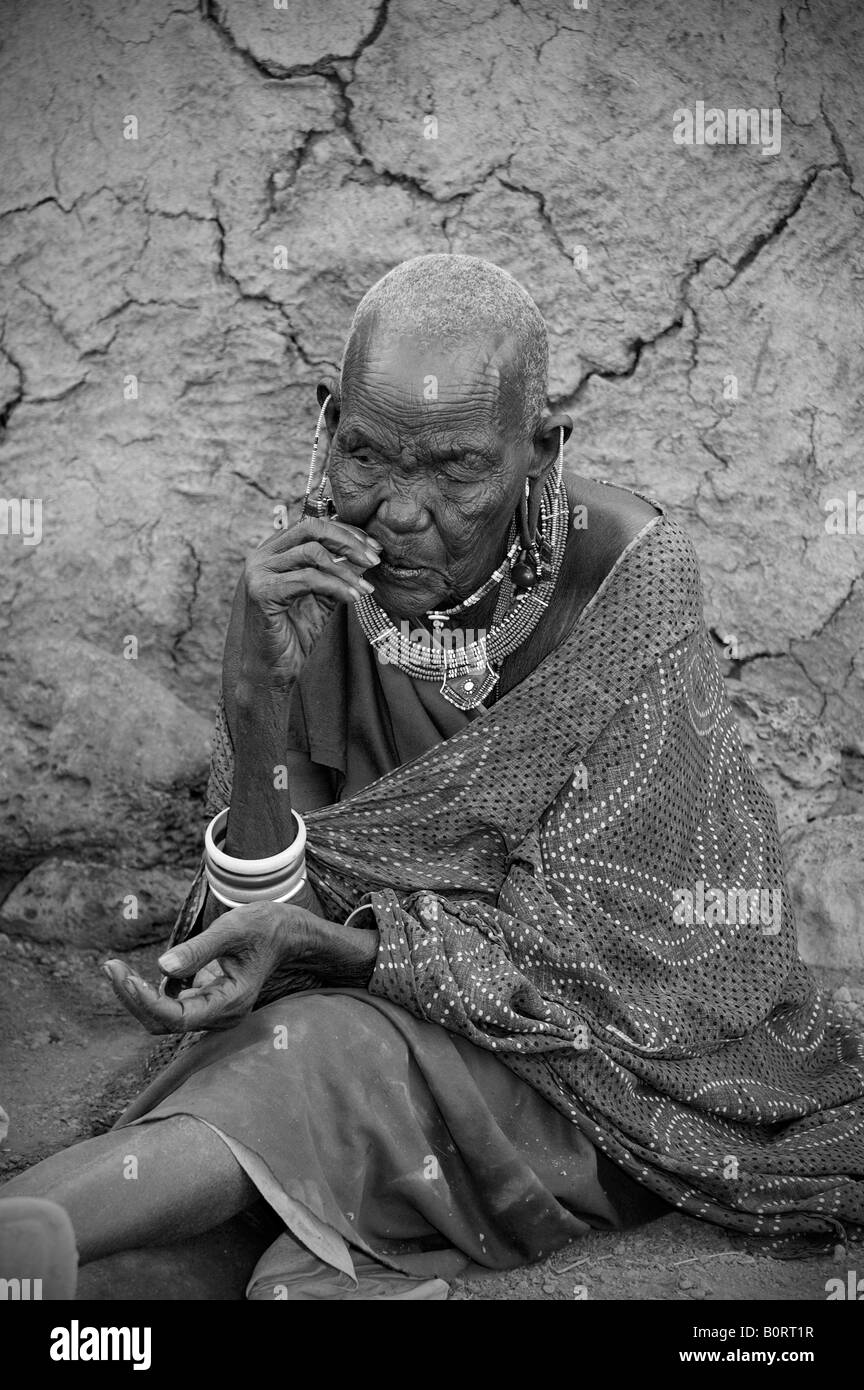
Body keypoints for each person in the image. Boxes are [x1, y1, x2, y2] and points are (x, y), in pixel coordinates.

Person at [2, 254, 862, 1301]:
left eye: (456, 469)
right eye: (367, 455)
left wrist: (353, 952)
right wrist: (252, 705)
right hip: (345, 1032)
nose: (402, 512)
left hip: (588, 1079)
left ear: (539, 453)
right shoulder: (311, 580)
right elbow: (278, 925)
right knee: (210, 1221)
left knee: (311, 1060)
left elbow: (629, 964)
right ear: (327, 422)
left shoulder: (623, 581)